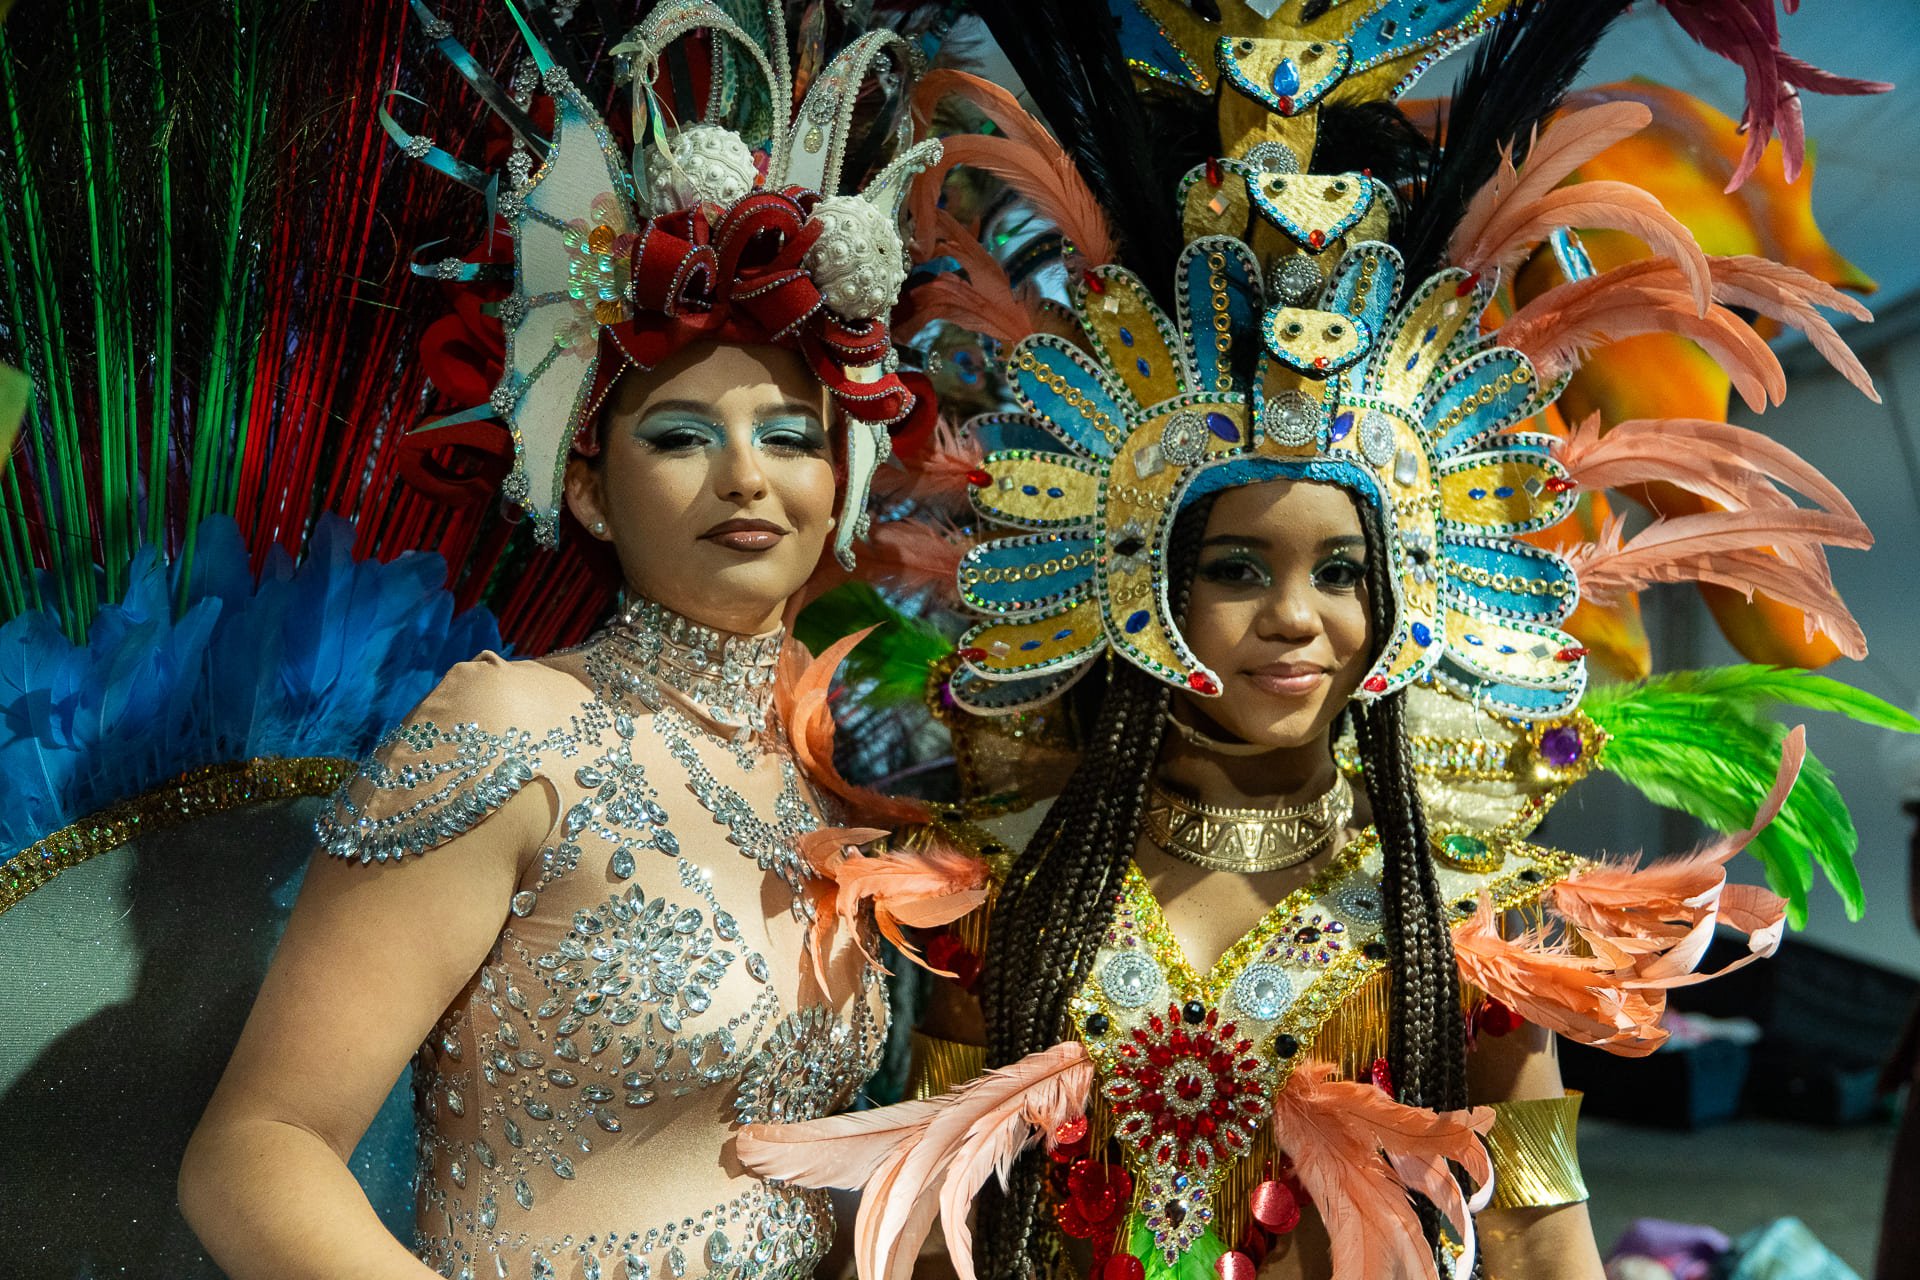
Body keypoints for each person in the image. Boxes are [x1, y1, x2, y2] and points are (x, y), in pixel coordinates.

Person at [734, 2, 1912, 1278]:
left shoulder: (1471, 921)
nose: (1298, 617)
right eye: (1238, 566)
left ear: (1405, 593)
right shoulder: (1004, 889)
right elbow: (928, 1239)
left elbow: (1537, 1246)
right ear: (1134, 573)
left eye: (1343, 570)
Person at [177, 4, 964, 1278]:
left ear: (842, 483)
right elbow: (257, 1148)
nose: (746, 480)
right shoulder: (512, 731)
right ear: (589, 487)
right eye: (679, 436)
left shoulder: (821, 773)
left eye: (790, 435)